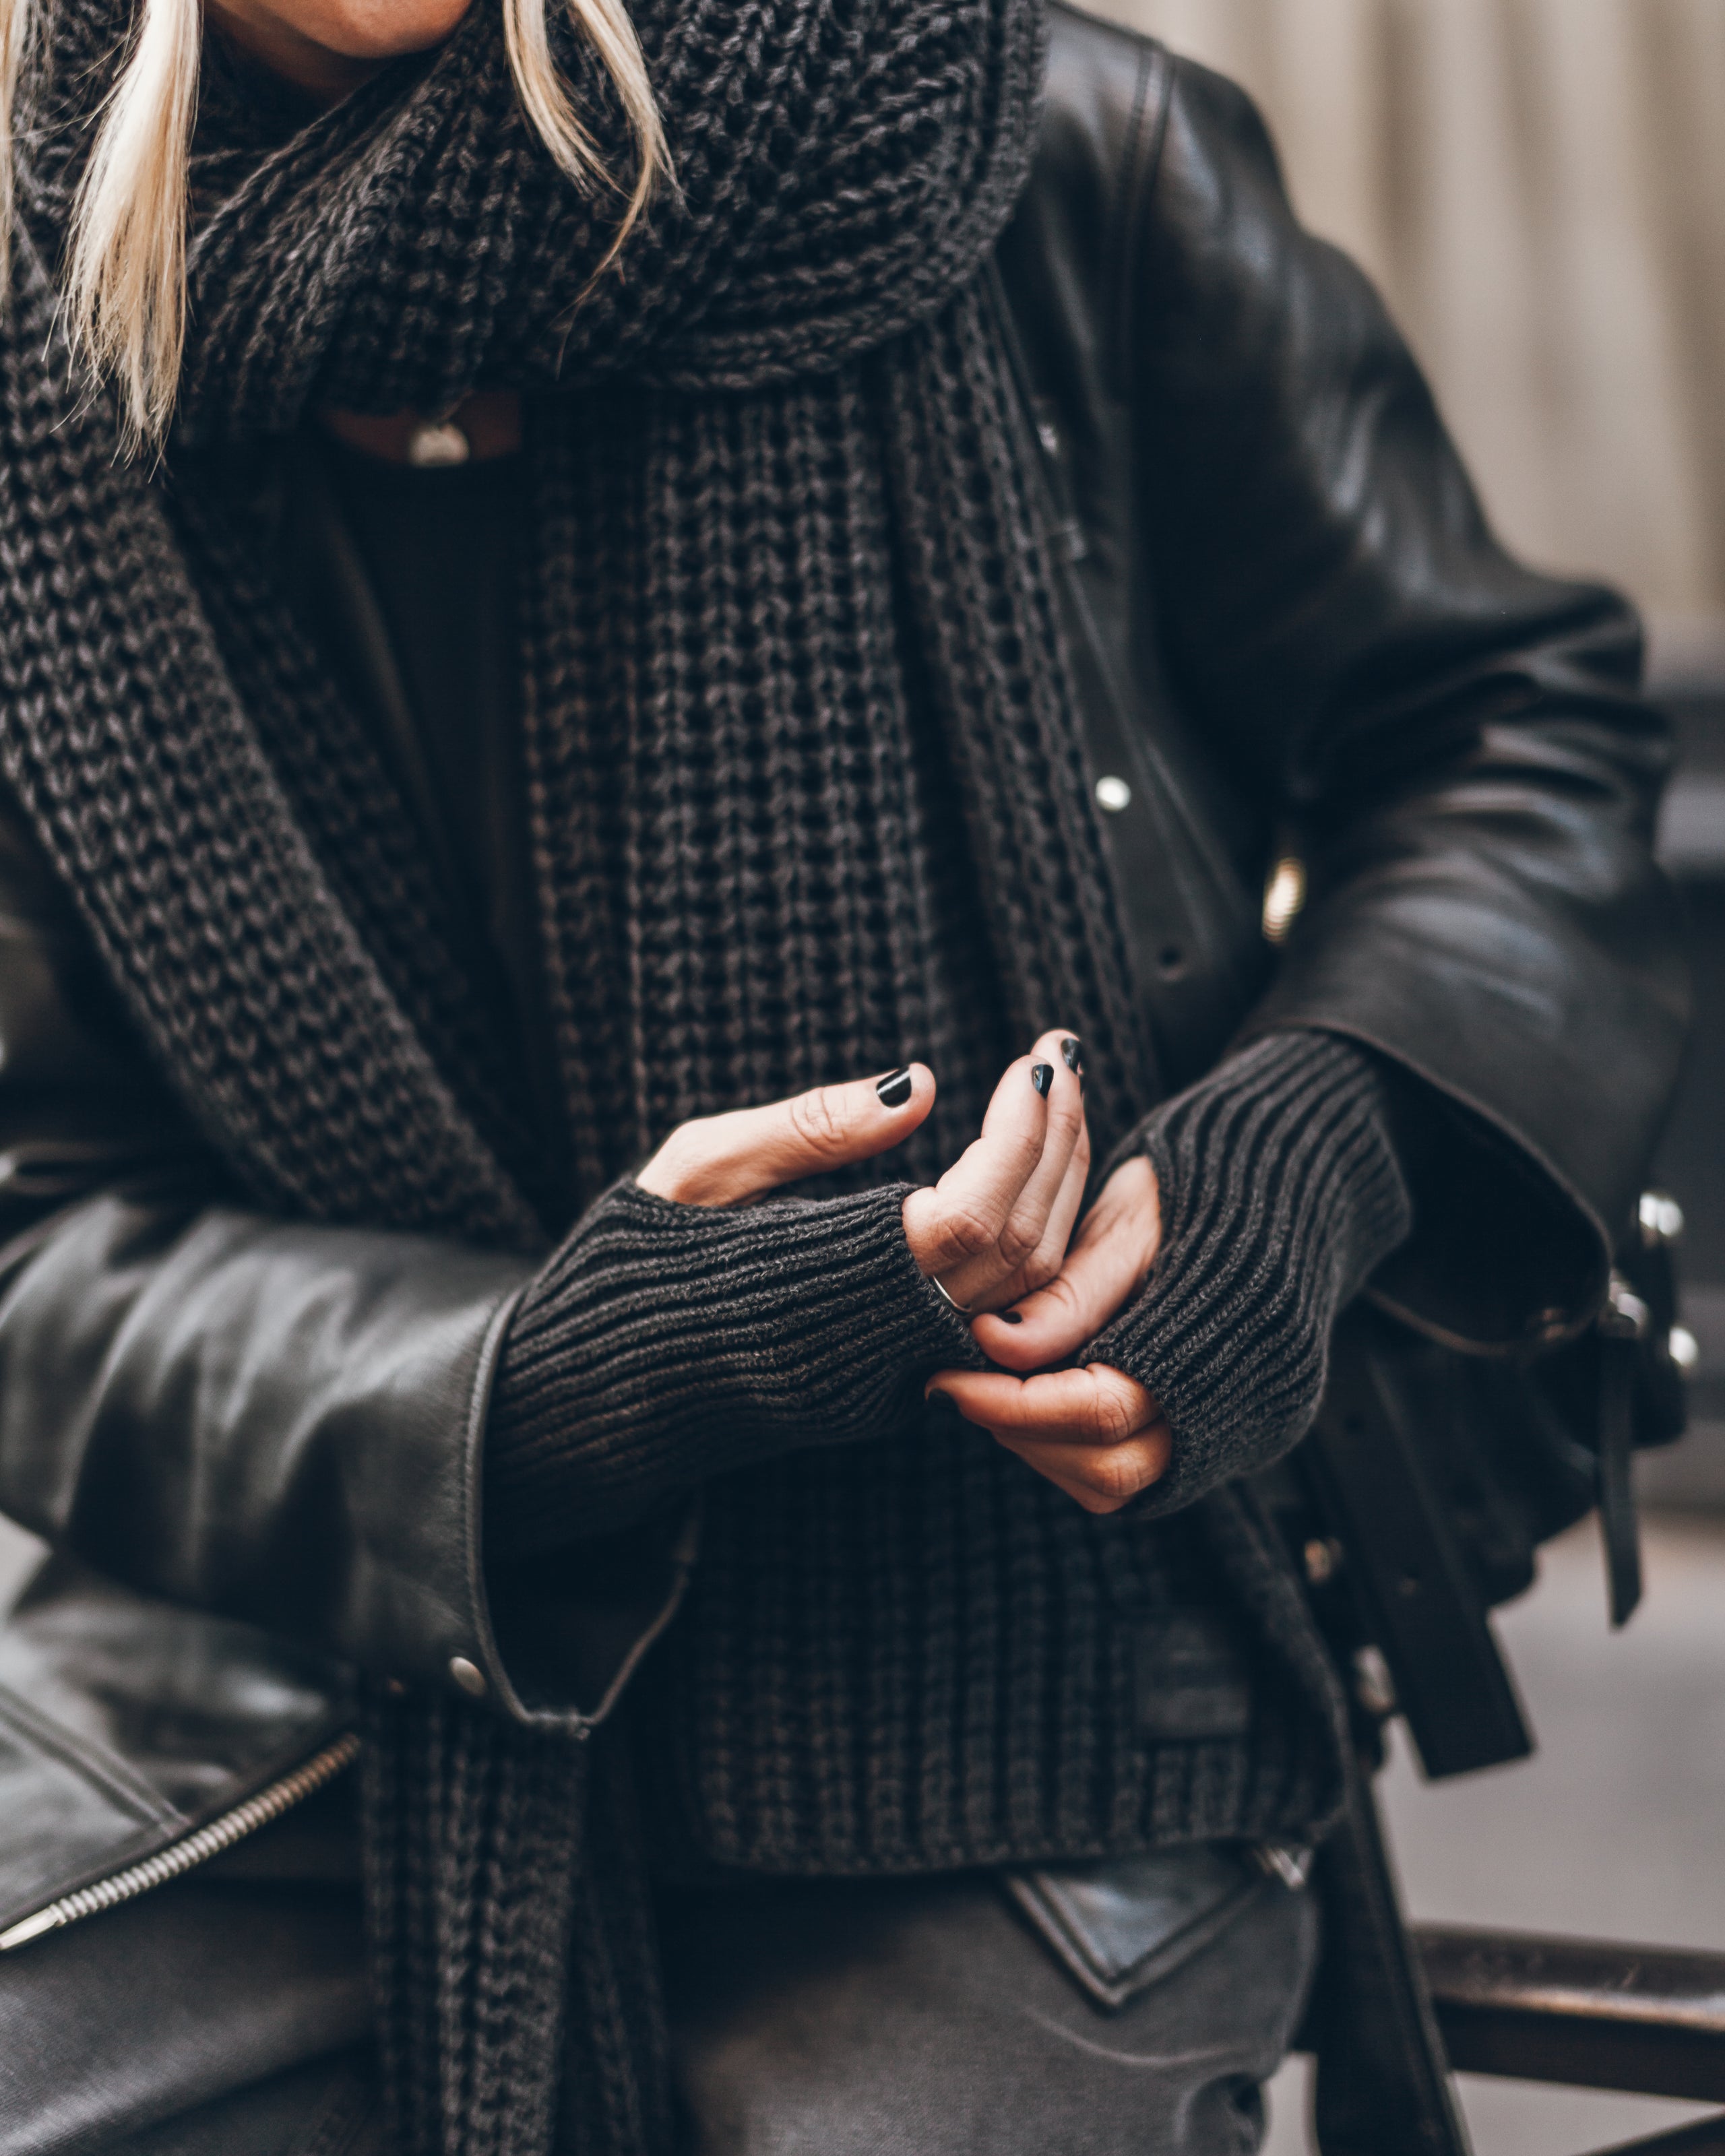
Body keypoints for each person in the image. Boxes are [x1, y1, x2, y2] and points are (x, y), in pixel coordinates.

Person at [0, 0, 1687, 2143]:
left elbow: (1510, 739)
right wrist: (532, 1390)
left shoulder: (1043, 152)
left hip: (1016, 1656)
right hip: (283, 1675)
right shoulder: (32, 334)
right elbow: (35, 1235)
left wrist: (1320, 1138)